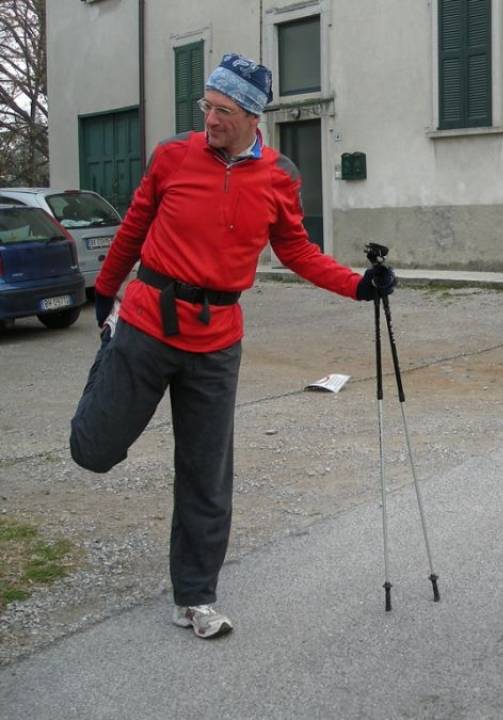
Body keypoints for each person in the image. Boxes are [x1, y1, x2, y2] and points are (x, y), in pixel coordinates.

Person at [70, 53, 395, 639]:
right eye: (207, 108)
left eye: (222, 111)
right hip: (146, 323)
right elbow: (135, 225)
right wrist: (106, 290)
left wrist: (357, 285)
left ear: (251, 117)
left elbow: (296, 250)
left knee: (206, 473)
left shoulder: (278, 177)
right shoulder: (174, 156)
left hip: (216, 342)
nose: (210, 120)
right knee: (94, 450)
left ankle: (194, 597)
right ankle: (106, 360)